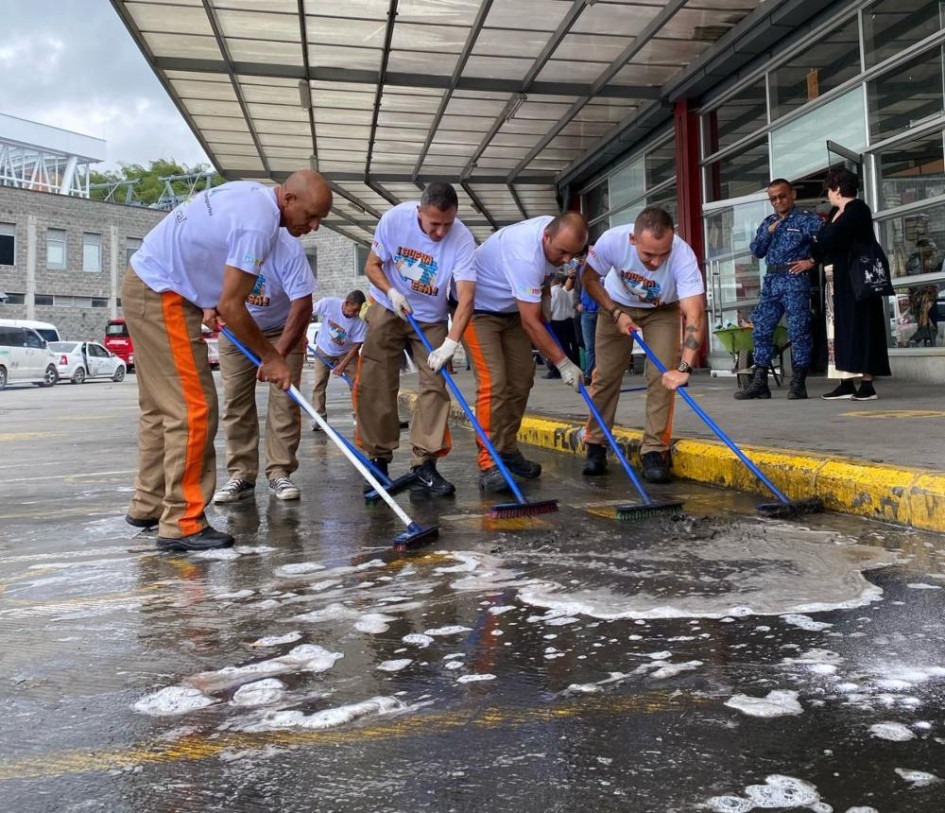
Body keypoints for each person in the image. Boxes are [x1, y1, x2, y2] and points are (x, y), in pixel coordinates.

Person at [122, 171, 332, 551]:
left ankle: (148, 505)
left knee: (160, 408)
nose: (314, 226)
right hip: (162, 295)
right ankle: (183, 521)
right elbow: (233, 305)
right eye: (312, 215)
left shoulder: (251, 192)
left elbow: (205, 248)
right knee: (194, 410)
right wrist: (273, 358)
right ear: (289, 199)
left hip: (149, 283)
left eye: (321, 220)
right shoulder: (261, 223)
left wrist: (204, 298)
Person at [354, 182, 476, 497]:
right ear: (419, 212)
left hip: (431, 317)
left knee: (435, 384)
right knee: (376, 381)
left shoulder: (461, 238)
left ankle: (424, 464)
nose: (440, 232)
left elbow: (466, 298)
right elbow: (372, 265)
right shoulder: (395, 220)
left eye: (447, 224)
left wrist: (451, 342)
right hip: (388, 307)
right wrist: (391, 292)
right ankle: (378, 458)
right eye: (434, 224)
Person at [580, 207, 706, 484]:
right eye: (649, 255)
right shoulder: (612, 241)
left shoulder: (683, 256)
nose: (657, 262)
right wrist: (615, 312)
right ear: (633, 240)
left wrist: (684, 368)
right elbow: (588, 278)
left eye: (663, 253)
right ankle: (596, 443)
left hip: (662, 311)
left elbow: (694, 313)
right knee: (606, 377)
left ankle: (654, 450)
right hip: (615, 305)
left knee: (663, 377)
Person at [465, 212, 588, 492]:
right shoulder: (524, 252)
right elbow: (531, 323)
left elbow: (543, 280)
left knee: (521, 378)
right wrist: (564, 364)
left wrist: (544, 296)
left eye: (574, 254)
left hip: (511, 309)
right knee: (494, 382)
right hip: (477, 310)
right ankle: (488, 462)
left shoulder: (555, 235)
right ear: (547, 236)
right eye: (562, 252)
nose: (567, 260)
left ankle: (506, 450)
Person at [211, 229, 317, 506]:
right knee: (236, 401)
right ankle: (241, 475)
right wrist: (207, 306)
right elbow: (205, 279)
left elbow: (303, 304)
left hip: (282, 331)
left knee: (285, 401)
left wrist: (277, 354)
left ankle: (280, 471)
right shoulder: (227, 241)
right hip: (237, 330)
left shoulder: (289, 249)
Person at [738, 178, 822, 400]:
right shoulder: (769, 222)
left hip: (794, 280)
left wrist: (812, 261)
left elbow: (828, 241)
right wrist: (768, 232)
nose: (778, 201)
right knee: (761, 329)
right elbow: (757, 251)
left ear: (792, 194)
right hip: (772, 281)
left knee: (798, 330)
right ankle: (760, 382)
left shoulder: (806, 220)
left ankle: (798, 382)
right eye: (773, 198)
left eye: (782, 196)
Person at [813, 168, 891, 400]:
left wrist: (820, 240)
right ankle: (845, 381)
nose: (828, 194)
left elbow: (834, 239)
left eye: (829, 189)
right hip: (837, 281)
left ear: (837, 189)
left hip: (855, 281)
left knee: (861, 327)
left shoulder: (857, 209)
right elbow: (823, 243)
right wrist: (821, 242)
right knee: (837, 330)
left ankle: (867, 384)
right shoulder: (836, 211)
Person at [309, 290, 367, 429]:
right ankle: (319, 417)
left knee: (356, 383)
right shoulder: (329, 304)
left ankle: (359, 417)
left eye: (358, 311)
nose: (356, 314)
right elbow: (307, 312)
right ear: (346, 303)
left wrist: (342, 364)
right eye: (354, 310)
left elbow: (357, 344)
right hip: (323, 349)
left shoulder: (360, 321)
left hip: (346, 352)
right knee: (319, 384)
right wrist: (301, 334)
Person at [543, 272, 579, 379]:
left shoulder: (553, 292)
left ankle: (555, 371)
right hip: (567, 321)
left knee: (556, 347)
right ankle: (569, 367)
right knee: (565, 347)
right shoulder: (563, 292)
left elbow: (550, 308)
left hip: (556, 322)